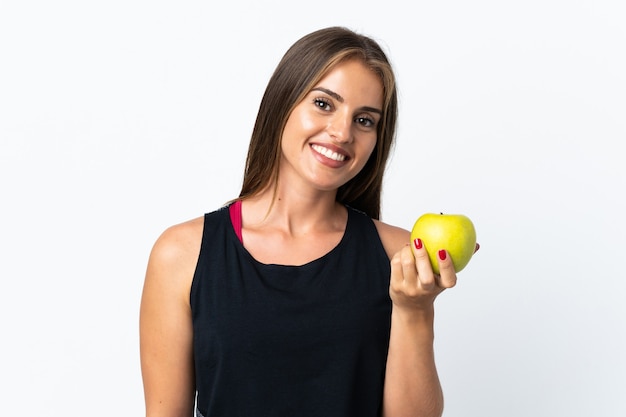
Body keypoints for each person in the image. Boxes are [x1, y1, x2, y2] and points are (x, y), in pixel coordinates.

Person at [140, 26, 477, 417]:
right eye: (324, 103)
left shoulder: (399, 255)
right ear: (284, 102)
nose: (341, 132)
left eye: (365, 120)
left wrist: (415, 310)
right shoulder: (182, 254)